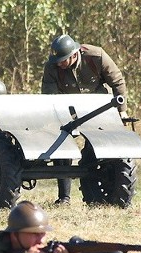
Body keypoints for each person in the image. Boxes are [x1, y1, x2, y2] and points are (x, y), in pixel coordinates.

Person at [41, 34, 128, 205]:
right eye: (57, 60)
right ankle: (64, 197)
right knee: (61, 142)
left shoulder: (96, 56)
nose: (59, 63)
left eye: (63, 60)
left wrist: (122, 111)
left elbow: (117, 82)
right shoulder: (52, 67)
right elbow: (49, 96)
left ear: (74, 55)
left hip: (97, 107)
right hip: (67, 109)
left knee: (99, 145)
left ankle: (96, 188)